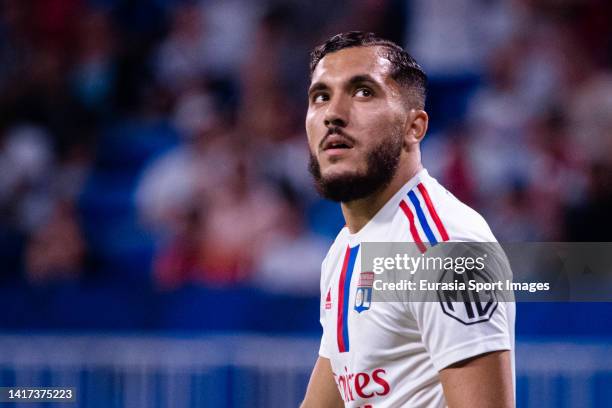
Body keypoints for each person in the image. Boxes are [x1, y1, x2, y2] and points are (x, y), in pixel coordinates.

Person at [301, 32, 515, 407]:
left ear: (414, 127)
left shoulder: (446, 247)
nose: (333, 113)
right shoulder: (344, 248)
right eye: (321, 96)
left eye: (363, 91)